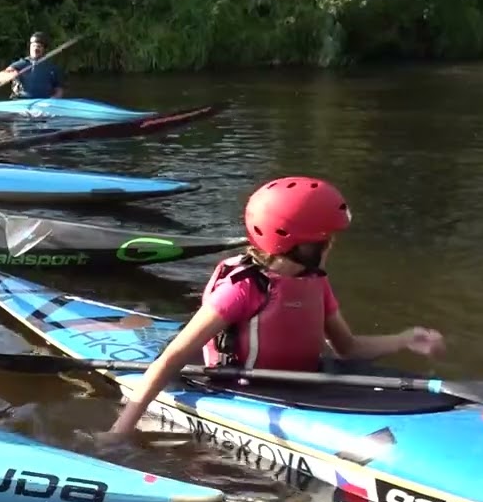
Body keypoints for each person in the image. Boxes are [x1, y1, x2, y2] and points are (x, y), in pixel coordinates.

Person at [105, 176, 446, 437]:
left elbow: (348, 348)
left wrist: (403, 339)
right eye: (326, 239)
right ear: (302, 246)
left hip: (303, 384)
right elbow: (173, 357)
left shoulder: (315, 280)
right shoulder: (243, 289)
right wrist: (120, 431)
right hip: (246, 390)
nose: (332, 245)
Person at [0, 31, 65, 100]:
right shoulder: (22, 63)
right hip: (21, 100)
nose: (35, 49)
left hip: (43, 103)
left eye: (39, 47)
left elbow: (59, 89)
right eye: (33, 46)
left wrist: (53, 100)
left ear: (44, 49)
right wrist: (11, 75)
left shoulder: (52, 68)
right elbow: (0, 76)